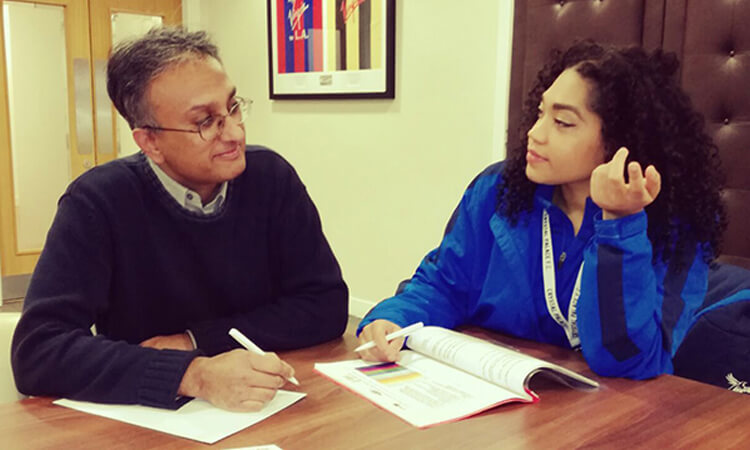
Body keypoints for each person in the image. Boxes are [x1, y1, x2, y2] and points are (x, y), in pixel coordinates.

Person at [11, 27, 348, 411]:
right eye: (205, 121)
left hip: (266, 402)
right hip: (145, 418)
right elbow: (38, 351)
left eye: (233, 107)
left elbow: (325, 305)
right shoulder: (98, 201)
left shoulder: (271, 177)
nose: (234, 133)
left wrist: (195, 340)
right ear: (150, 142)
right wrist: (192, 374)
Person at [357, 41, 726, 379]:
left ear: (621, 140)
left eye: (562, 122)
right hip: (496, 394)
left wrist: (619, 223)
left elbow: (627, 359)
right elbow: (445, 285)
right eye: (540, 112)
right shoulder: (499, 189)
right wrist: (394, 317)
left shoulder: (673, 223)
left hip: (607, 412)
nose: (535, 132)